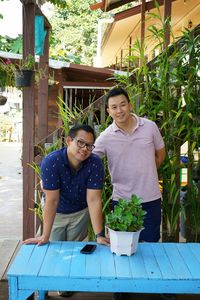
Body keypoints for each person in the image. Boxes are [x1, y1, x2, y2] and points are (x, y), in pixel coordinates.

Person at [23, 124, 109, 296]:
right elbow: (52, 200)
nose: (85, 149)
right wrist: (45, 235)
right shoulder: (51, 161)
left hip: (80, 212)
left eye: (89, 145)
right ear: (69, 141)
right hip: (57, 212)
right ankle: (42, 289)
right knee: (49, 249)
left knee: (73, 252)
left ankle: (65, 285)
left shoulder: (95, 163)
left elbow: (93, 199)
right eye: (80, 143)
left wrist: (100, 235)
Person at [93, 87, 166, 243]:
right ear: (108, 111)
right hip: (122, 202)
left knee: (151, 247)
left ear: (130, 105)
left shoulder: (150, 126)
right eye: (114, 107)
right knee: (123, 247)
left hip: (151, 199)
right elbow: (89, 158)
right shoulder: (105, 137)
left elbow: (161, 155)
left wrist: (147, 171)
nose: (119, 110)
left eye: (123, 104)